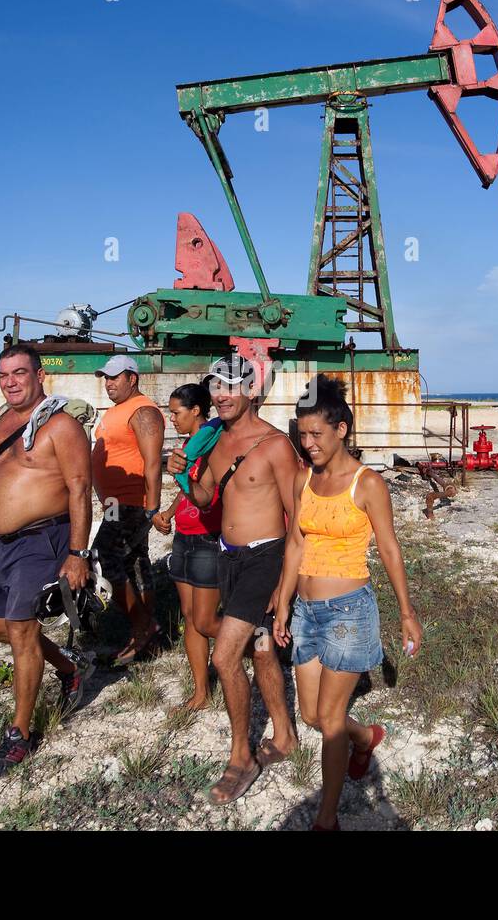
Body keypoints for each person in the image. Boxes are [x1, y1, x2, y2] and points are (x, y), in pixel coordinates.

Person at [272, 374, 423, 830]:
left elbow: (390, 548)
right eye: (302, 434)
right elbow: (295, 545)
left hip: (347, 613)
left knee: (331, 717)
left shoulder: (368, 483)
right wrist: (282, 604)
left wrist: (406, 612)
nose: (309, 442)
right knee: (313, 714)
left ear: (341, 430)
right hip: (306, 612)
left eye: (317, 433)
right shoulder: (303, 481)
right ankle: (366, 738)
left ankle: (326, 817)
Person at [0, 343, 94, 778]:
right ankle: (69, 668)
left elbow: (81, 489)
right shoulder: (2, 419)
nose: (10, 382)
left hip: (40, 540)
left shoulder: (62, 427)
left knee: (21, 630)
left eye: (19, 374)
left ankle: (19, 734)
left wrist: (77, 554)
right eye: (4, 374)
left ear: (39, 374)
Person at [168, 354, 300, 805]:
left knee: (225, 657)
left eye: (230, 386)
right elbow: (206, 499)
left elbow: (298, 517)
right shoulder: (214, 440)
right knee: (261, 652)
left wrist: (286, 584)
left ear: (250, 390)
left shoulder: (276, 446)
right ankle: (284, 735)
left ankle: (240, 755)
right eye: (215, 387)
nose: (221, 395)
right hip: (229, 558)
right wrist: (184, 478)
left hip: (267, 557)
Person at [90, 354, 165, 665]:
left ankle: (142, 626)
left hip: (130, 502)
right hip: (114, 503)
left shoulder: (143, 410)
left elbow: (152, 463)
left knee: (102, 557)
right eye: (106, 378)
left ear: (132, 378)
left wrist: (151, 508)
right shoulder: (118, 410)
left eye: (114, 377)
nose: (109, 383)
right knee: (135, 563)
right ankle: (150, 633)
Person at [151, 383, 222, 710]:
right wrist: (168, 511)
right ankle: (201, 692)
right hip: (184, 536)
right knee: (192, 618)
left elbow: (205, 488)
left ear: (196, 410)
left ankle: (258, 645)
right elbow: (188, 486)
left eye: (177, 412)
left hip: (209, 537)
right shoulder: (189, 447)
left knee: (207, 621)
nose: (173, 419)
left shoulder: (213, 442)